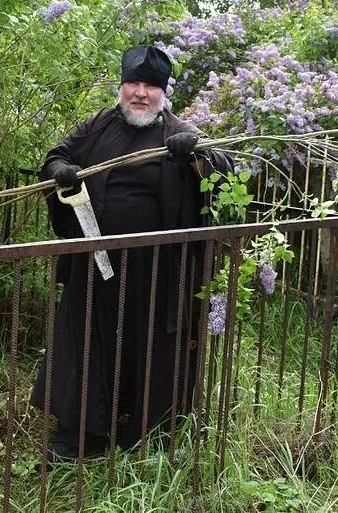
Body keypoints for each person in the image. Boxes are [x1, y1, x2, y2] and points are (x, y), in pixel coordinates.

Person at [30, 44, 233, 459]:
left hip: (157, 266)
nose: (140, 93)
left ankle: (149, 435)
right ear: (122, 87)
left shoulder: (180, 132)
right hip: (97, 258)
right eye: (132, 84)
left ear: (163, 93)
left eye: (150, 87)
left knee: (152, 347)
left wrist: (196, 156)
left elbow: (223, 170)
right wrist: (59, 171)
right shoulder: (97, 126)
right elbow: (57, 155)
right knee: (87, 338)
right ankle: (80, 435)